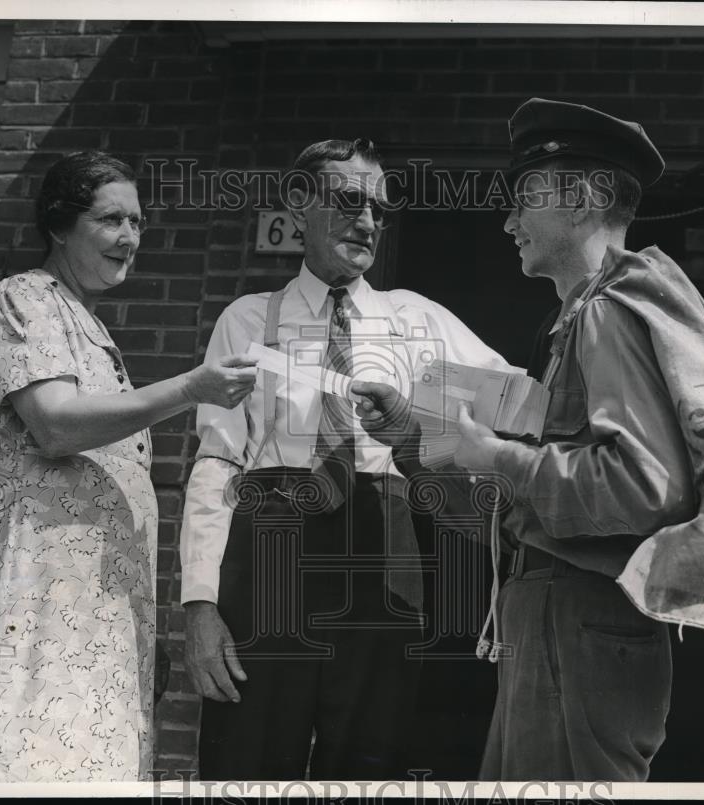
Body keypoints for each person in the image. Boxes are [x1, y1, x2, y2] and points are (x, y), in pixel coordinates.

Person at [355, 97, 704, 782]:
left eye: (523, 200)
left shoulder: (607, 314)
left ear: (584, 198)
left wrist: (496, 453)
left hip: (579, 637)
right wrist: (408, 439)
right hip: (555, 632)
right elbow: (520, 513)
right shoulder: (576, 324)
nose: (508, 222)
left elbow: (641, 486)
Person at [179, 138, 507, 780]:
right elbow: (216, 465)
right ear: (299, 205)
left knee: (367, 767)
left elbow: (514, 403)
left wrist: (428, 428)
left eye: (380, 211)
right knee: (249, 761)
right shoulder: (249, 319)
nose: (368, 223)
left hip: (385, 563)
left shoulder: (417, 319)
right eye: (351, 202)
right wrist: (200, 606)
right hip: (271, 560)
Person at [0, 151, 257, 783]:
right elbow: (54, 423)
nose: (130, 237)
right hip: (35, 592)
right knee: (22, 756)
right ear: (59, 226)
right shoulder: (21, 298)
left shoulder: (85, 324)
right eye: (111, 220)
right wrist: (190, 388)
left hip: (94, 611)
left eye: (137, 222)